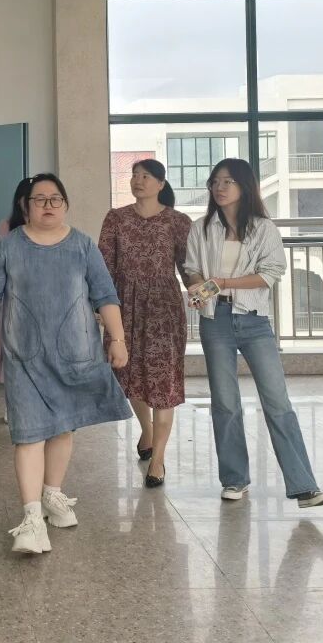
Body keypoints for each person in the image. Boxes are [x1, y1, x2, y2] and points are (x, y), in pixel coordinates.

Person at [0, 174, 131, 554]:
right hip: (24, 357)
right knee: (28, 434)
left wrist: (117, 339)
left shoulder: (83, 245)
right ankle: (32, 517)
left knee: (62, 428)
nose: (48, 205)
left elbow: (105, 295)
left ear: (65, 205)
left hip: (75, 354)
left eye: (55, 199)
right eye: (40, 199)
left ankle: (52, 494)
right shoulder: (9, 246)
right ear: (27, 206)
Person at [183, 158, 323, 508]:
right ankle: (234, 480)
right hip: (215, 320)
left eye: (228, 181)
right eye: (215, 181)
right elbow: (191, 268)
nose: (219, 188)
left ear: (245, 186)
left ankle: (304, 487)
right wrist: (200, 288)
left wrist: (223, 282)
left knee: (278, 402)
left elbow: (270, 273)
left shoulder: (264, 228)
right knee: (225, 402)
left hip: (254, 320)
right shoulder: (201, 228)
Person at [98, 159, 192, 488]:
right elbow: (103, 267)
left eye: (146, 176)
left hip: (164, 311)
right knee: (129, 374)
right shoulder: (116, 218)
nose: (138, 180)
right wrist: (100, 306)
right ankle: (147, 430)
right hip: (123, 308)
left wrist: (202, 296)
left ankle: (159, 459)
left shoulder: (178, 221)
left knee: (164, 382)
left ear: (161, 184)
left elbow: (189, 269)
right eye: (135, 175)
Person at [0, 178, 31, 388]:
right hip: (14, 300)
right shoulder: (7, 226)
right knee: (13, 352)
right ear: (19, 200)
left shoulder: (50, 229)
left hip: (42, 301)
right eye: (28, 198)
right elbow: (1, 265)